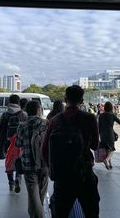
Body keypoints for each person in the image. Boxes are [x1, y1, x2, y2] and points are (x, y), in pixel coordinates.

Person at [41, 85, 100, 218]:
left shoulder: (54, 121)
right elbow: (95, 146)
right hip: (84, 172)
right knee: (91, 211)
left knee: (60, 212)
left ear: (65, 99)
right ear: (82, 100)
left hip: (63, 176)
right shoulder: (90, 118)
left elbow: (44, 150)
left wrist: (52, 169)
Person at [15, 101, 48, 218]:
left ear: (26, 111)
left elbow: (18, 144)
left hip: (28, 163)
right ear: (38, 110)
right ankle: (35, 212)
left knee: (32, 191)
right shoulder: (46, 123)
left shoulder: (22, 125)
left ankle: (36, 214)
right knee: (41, 190)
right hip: (44, 162)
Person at [0, 94, 27, 193]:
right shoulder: (23, 114)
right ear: (18, 103)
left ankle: (11, 182)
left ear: (9, 102)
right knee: (18, 160)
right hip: (19, 143)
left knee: (9, 162)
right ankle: (18, 179)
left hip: (7, 143)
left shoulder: (5, 115)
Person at [99, 102, 120, 170]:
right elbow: (119, 122)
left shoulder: (101, 115)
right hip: (110, 134)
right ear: (111, 108)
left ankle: (110, 164)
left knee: (107, 149)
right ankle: (106, 160)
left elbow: (98, 126)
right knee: (112, 149)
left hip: (102, 135)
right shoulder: (112, 115)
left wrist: (98, 135)